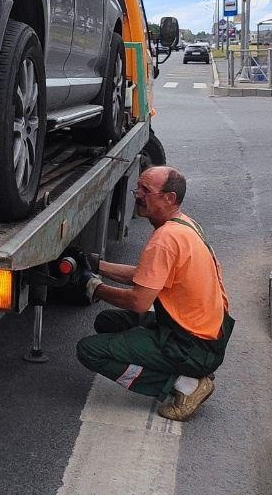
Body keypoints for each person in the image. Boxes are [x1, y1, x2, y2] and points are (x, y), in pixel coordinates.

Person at [73, 165, 234, 421]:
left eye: (146, 190)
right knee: (106, 321)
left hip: (191, 344)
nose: (137, 194)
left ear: (169, 198)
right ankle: (184, 370)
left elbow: (139, 301)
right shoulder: (185, 225)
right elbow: (146, 275)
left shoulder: (166, 238)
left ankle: (186, 384)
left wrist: (96, 289)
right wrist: (97, 266)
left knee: (89, 350)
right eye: (138, 188)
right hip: (205, 334)